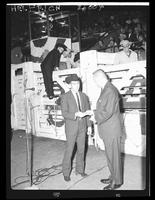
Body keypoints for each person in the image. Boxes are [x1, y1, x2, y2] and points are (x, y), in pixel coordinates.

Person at [88, 69, 123, 190]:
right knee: (110, 156)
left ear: (99, 78)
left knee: (114, 157)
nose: (94, 82)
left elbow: (107, 112)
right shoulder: (105, 89)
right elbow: (104, 108)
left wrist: (94, 115)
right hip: (108, 129)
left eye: (94, 80)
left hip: (112, 130)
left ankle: (117, 181)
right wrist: (93, 112)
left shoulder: (109, 90)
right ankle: (112, 176)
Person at [61, 74, 92, 182]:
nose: (77, 85)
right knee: (69, 150)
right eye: (74, 84)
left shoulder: (83, 96)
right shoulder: (65, 97)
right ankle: (66, 172)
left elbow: (87, 112)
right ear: (69, 85)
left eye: (78, 83)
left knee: (81, 149)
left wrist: (89, 126)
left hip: (82, 127)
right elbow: (64, 113)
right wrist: (75, 114)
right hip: (71, 128)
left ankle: (80, 170)